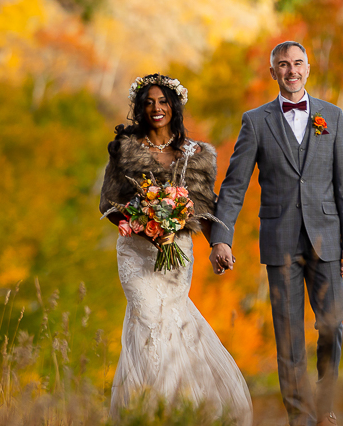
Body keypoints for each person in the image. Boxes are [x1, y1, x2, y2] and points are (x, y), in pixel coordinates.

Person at [210, 42, 343, 426]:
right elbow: (234, 186)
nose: (291, 70)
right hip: (280, 243)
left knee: (332, 324)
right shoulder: (255, 121)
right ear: (273, 71)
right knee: (289, 337)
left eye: (297, 64)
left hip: (327, 239)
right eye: (283, 65)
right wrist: (221, 237)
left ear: (308, 68)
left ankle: (325, 404)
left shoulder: (333, 116)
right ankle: (301, 418)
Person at [99, 73, 253, 425]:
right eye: (149, 102)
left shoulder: (197, 155)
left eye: (163, 101)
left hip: (177, 253)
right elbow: (108, 204)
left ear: (174, 106)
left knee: (173, 320)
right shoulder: (124, 149)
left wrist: (219, 244)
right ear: (140, 107)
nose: (156, 108)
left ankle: (183, 410)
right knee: (147, 321)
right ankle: (148, 411)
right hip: (136, 252)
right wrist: (145, 224)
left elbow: (204, 207)